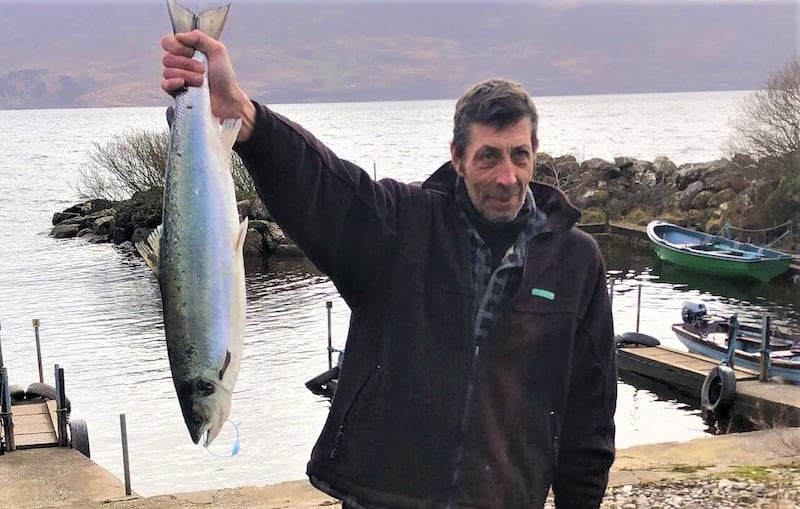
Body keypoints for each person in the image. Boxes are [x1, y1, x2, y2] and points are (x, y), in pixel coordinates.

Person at [161, 29, 617, 509]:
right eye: (488, 157)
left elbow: (589, 415)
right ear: (458, 158)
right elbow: (325, 188)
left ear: (534, 153)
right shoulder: (401, 226)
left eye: (519, 155)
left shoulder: (575, 261)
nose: (508, 177)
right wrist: (247, 119)